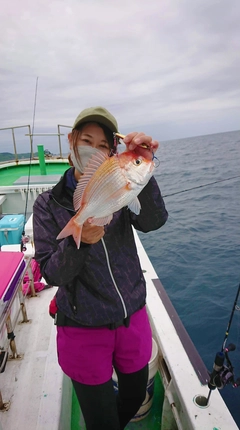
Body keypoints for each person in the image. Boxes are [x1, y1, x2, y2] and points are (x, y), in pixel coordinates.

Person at [33, 106, 168, 430]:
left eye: (102, 145)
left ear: (112, 151)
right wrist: (81, 242)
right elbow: (51, 272)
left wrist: (143, 168)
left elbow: (153, 220)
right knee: (101, 419)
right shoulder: (47, 205)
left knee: (135, 397)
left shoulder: (119, 183)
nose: (93, 149)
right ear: (71, 141)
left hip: (130, 317)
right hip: (82, 327)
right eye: (86, 141)